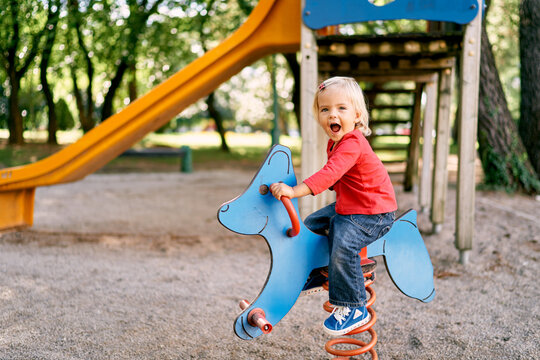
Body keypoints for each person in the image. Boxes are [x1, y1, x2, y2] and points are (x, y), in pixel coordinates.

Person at [270, 77, 397, 336]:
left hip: (374, 212)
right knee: (311, 225)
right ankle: (318, 273)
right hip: (352, 205)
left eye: (341, 108)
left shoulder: (352, 143)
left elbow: (329, 174)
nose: (332, 115)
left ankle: (353, 306)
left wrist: (294, 191)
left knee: (343, 244)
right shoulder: (335, 142)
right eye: (325, 109)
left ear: (357, 114)